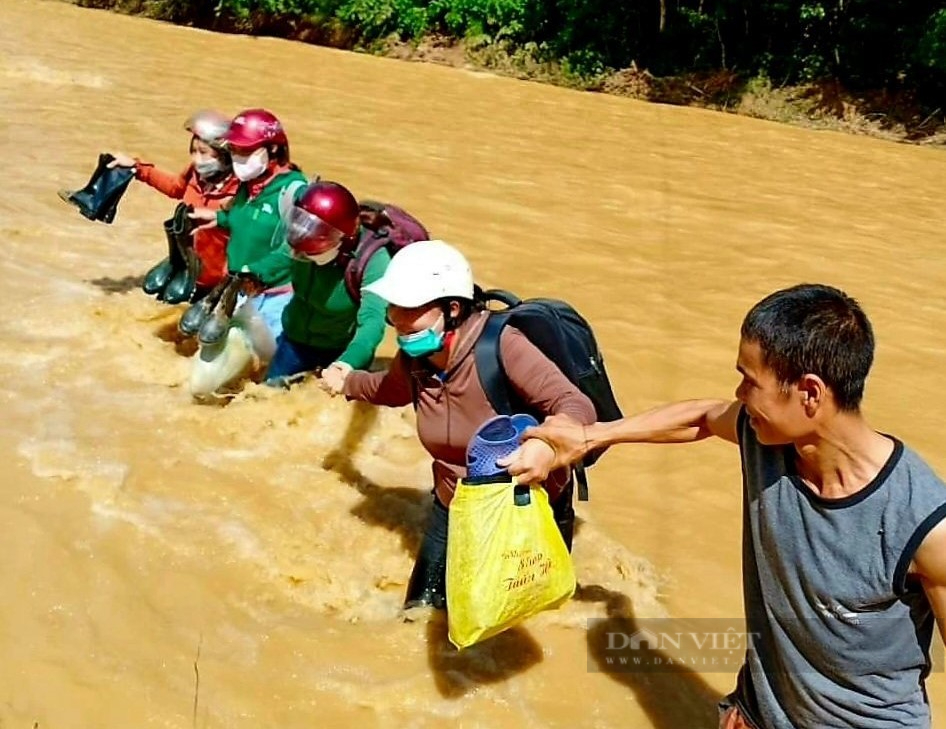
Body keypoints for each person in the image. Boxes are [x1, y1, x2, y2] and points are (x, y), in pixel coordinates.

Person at [502, 283, 946, 729]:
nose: (740, 393)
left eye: (750, 381)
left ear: (810, 393)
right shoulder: (766, 438)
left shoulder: (923, 525)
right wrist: (588, 437)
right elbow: (701, 418)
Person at [322, 240, 597, 609]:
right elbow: (387, 390)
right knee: (418, 616)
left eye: (410, 308)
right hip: (454, 502)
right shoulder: (416, 357)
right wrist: (347, 381)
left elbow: (575, 404)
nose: (397, 320)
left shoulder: (501, 347)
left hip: (524, 507)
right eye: (394, 308)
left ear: (452, 309)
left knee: (518, 616)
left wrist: (548, 443)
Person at [188, 108, 306, 342]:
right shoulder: (249, 183)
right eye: (234, 149)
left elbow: (299, 249)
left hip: (275, 298)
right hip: (239, 289)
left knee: (265, 367)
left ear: (272, 149)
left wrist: (255, 271)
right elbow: (248, 218)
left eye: (245, 150)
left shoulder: (296, 192)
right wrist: (220, 219)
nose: (237, 157)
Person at [267, 180, 393, 389]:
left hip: (341, 350)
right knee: (268, 398)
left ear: (343, 239)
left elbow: (373, 322)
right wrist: (246, 276)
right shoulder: (304, 236)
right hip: (294, 342)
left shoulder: (374, 261)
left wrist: (346, 364)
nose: (299, 253)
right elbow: (277, 260)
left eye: (311, 249)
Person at [108, 110, 239, 298]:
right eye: (193, 152)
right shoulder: (194, 173)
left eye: (204, 153)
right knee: (153, 290)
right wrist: (136, 168)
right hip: (188, 262)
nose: (196, 160)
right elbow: (174, 187)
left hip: (218, 276)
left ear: (225, 156)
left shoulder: (241, 192)